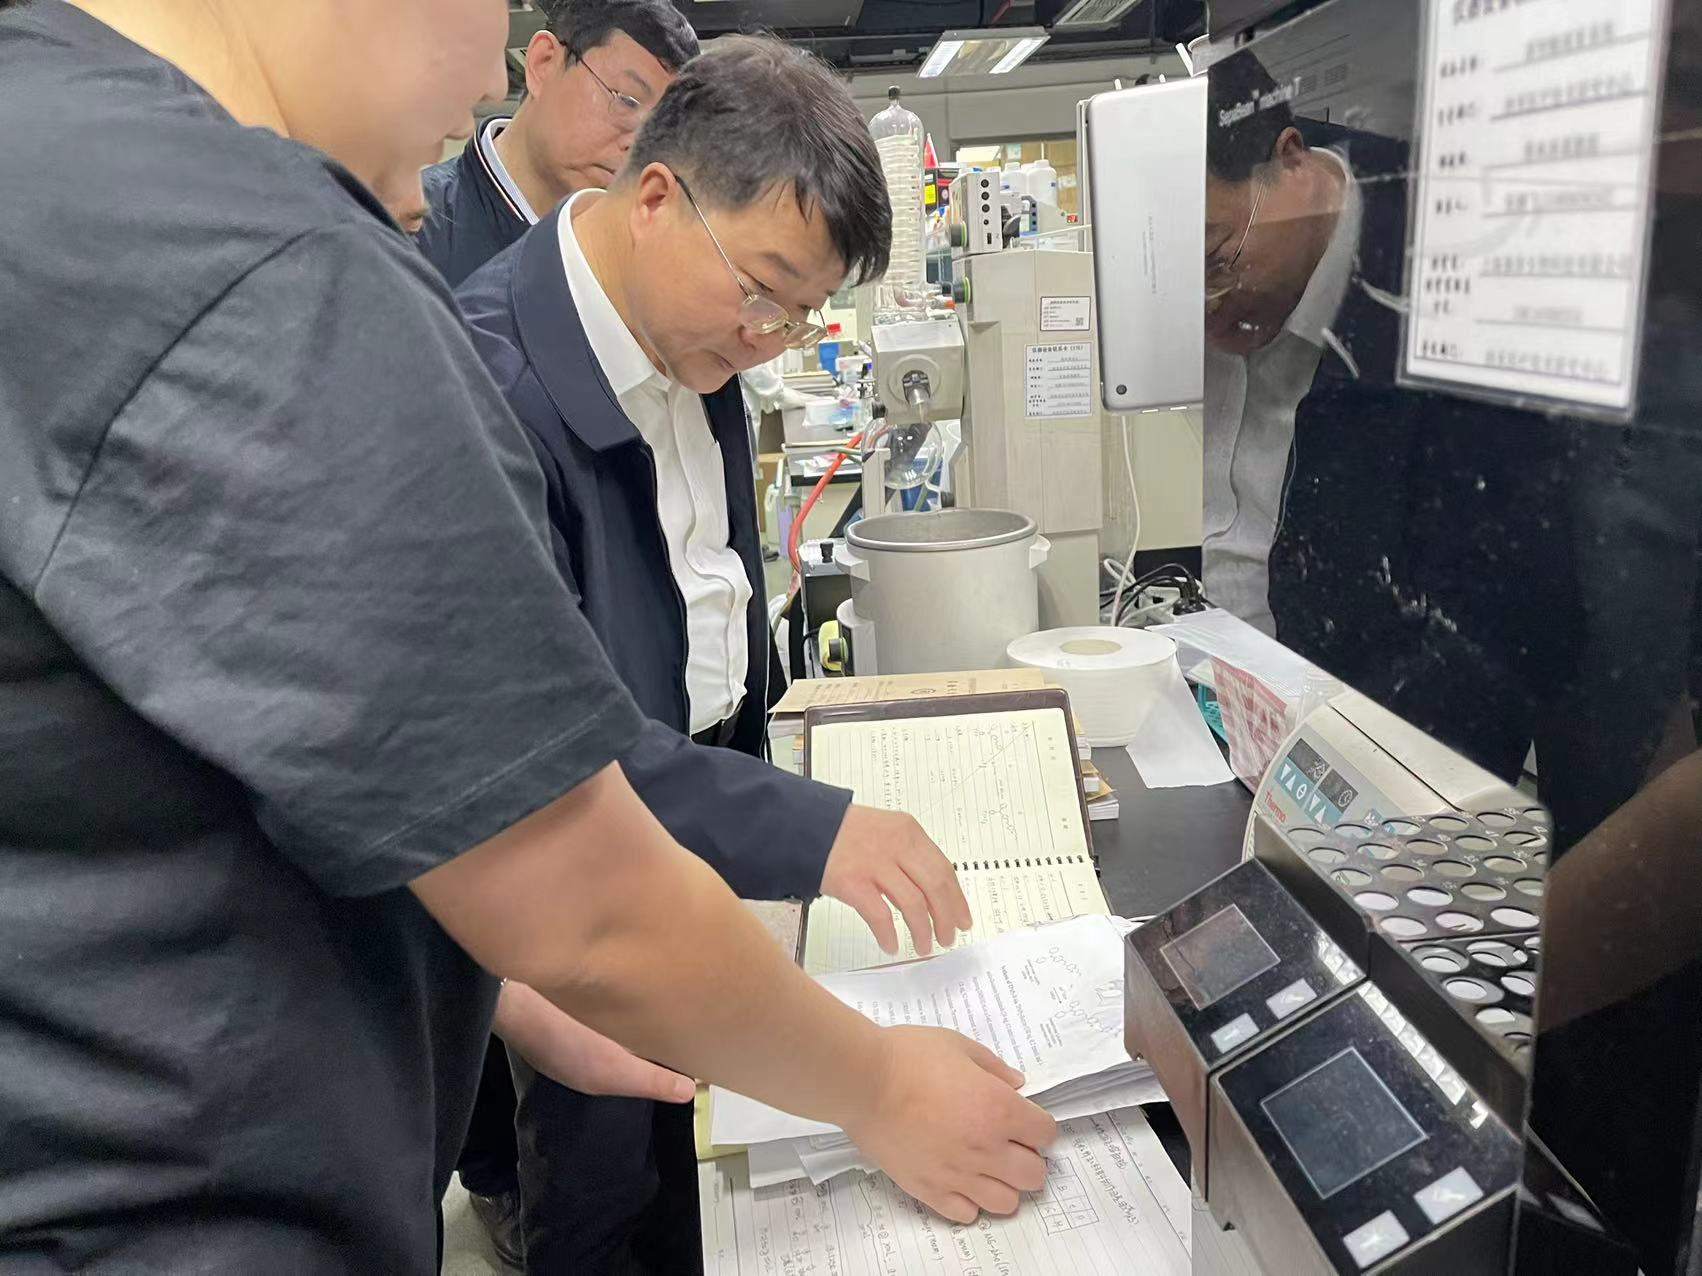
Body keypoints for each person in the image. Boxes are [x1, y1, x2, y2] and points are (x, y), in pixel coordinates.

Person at [0, 3, 1059, 1272]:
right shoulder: (264, 262)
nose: (498, 67)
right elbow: (569, 875)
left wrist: (496, 987)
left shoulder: (51, 144)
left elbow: (233, 749)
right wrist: (881, 1085)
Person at [455, 37, 973, 1272]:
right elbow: (551, 739)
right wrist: (810, 827)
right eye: (764, 291)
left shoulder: (695, 335)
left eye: (799, 314)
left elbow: (711, 596)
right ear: (655, 198)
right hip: (586, 891)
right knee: (605, 1187)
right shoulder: (486, 389)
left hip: (709, 850)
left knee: (728, 1192)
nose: (769, 338)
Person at [418, 0, 697, 288]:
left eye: (659, 128)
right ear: (544, 63)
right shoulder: (412, 229)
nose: (638, 146)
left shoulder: (638, 264)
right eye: (627, 100)